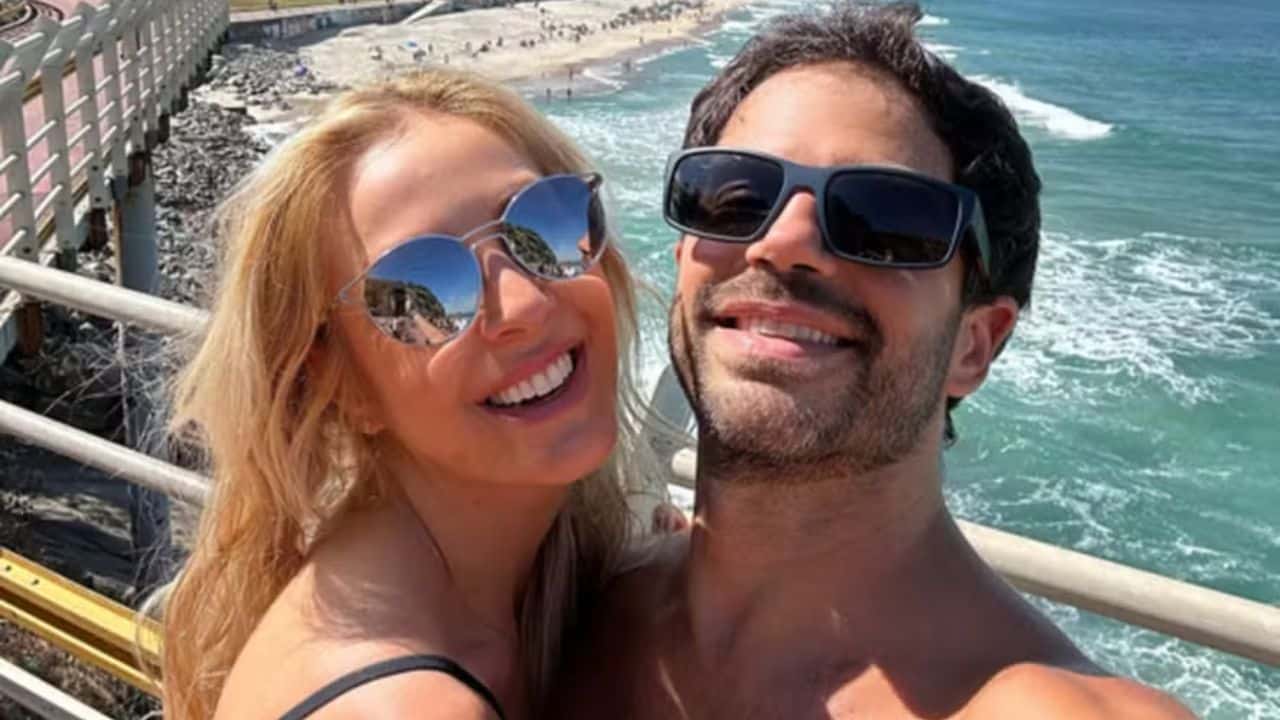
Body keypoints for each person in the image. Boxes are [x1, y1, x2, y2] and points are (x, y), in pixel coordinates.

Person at [554, 3, 1196, 719]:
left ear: (975, 345)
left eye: (883, 220)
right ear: (682, 261)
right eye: (735, 197)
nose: (783, 242)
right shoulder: (564, 611)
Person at [157, 68, 667, 719]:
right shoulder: (410, 704)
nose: (523, 303)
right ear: (339, 383)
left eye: (543, 226)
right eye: (422, 291)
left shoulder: (511, 593)